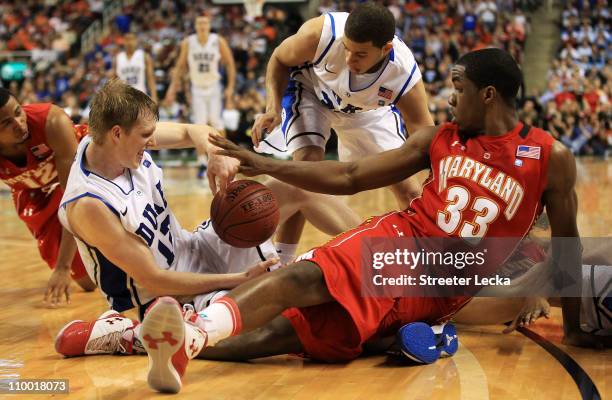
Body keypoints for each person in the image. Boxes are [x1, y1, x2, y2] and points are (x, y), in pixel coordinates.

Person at [65, 49, 582, 394]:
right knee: (286, 307)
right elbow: (353, 173)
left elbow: (570, 246)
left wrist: (577, 323)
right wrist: (262, 162)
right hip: (404, 243)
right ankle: (188, 340)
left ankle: (154, 336)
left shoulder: (550, 156)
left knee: (285, 330)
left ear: (488, 94)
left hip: (450, 283)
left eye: (459, 88)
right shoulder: (439, 138)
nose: (450, 98)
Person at [251, 2, 434, 266]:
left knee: (408, 189)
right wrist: (272, 108)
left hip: (367, 113)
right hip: (312, 92)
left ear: (385, 49)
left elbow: (423, 133)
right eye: (346, 48)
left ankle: (422, 263)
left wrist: (438, 183)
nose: (349, 59)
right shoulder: (319, 35)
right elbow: (279, 58)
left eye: (360, 54)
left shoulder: (403, 73)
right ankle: (282, 260)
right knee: (305, 169)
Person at [0, 88, 96, 306]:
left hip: (86, 171)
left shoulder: (52, 121)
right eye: (6, 123)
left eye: (18, 112)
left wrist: (62, 267)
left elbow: (75, 199)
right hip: (35, 191)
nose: (18, 123)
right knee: (87, 282)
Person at [165, 14, 236, 180]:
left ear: (209, 25)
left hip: (214, 87)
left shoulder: (218, 41)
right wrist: (172, 88)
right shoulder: (188, 42)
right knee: (199, 125)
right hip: (197, 88)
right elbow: (180, 66)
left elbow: (230, 64)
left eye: (205, 22)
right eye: (199, 23)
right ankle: (202, 162)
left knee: (217, 124)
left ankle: (224, 157)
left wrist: (230, 88)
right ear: (196, 26)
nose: (202, 25)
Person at [113, 32, 158, 103]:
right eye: (127, 39)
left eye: (131, 39)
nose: (129, 42)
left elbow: (151, 78)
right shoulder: (117, 58)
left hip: (140, 96)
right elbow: (114, 81)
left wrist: (154, 96)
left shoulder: (144, 56)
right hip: (123, 98)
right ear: (123, 41)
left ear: (136, 41)